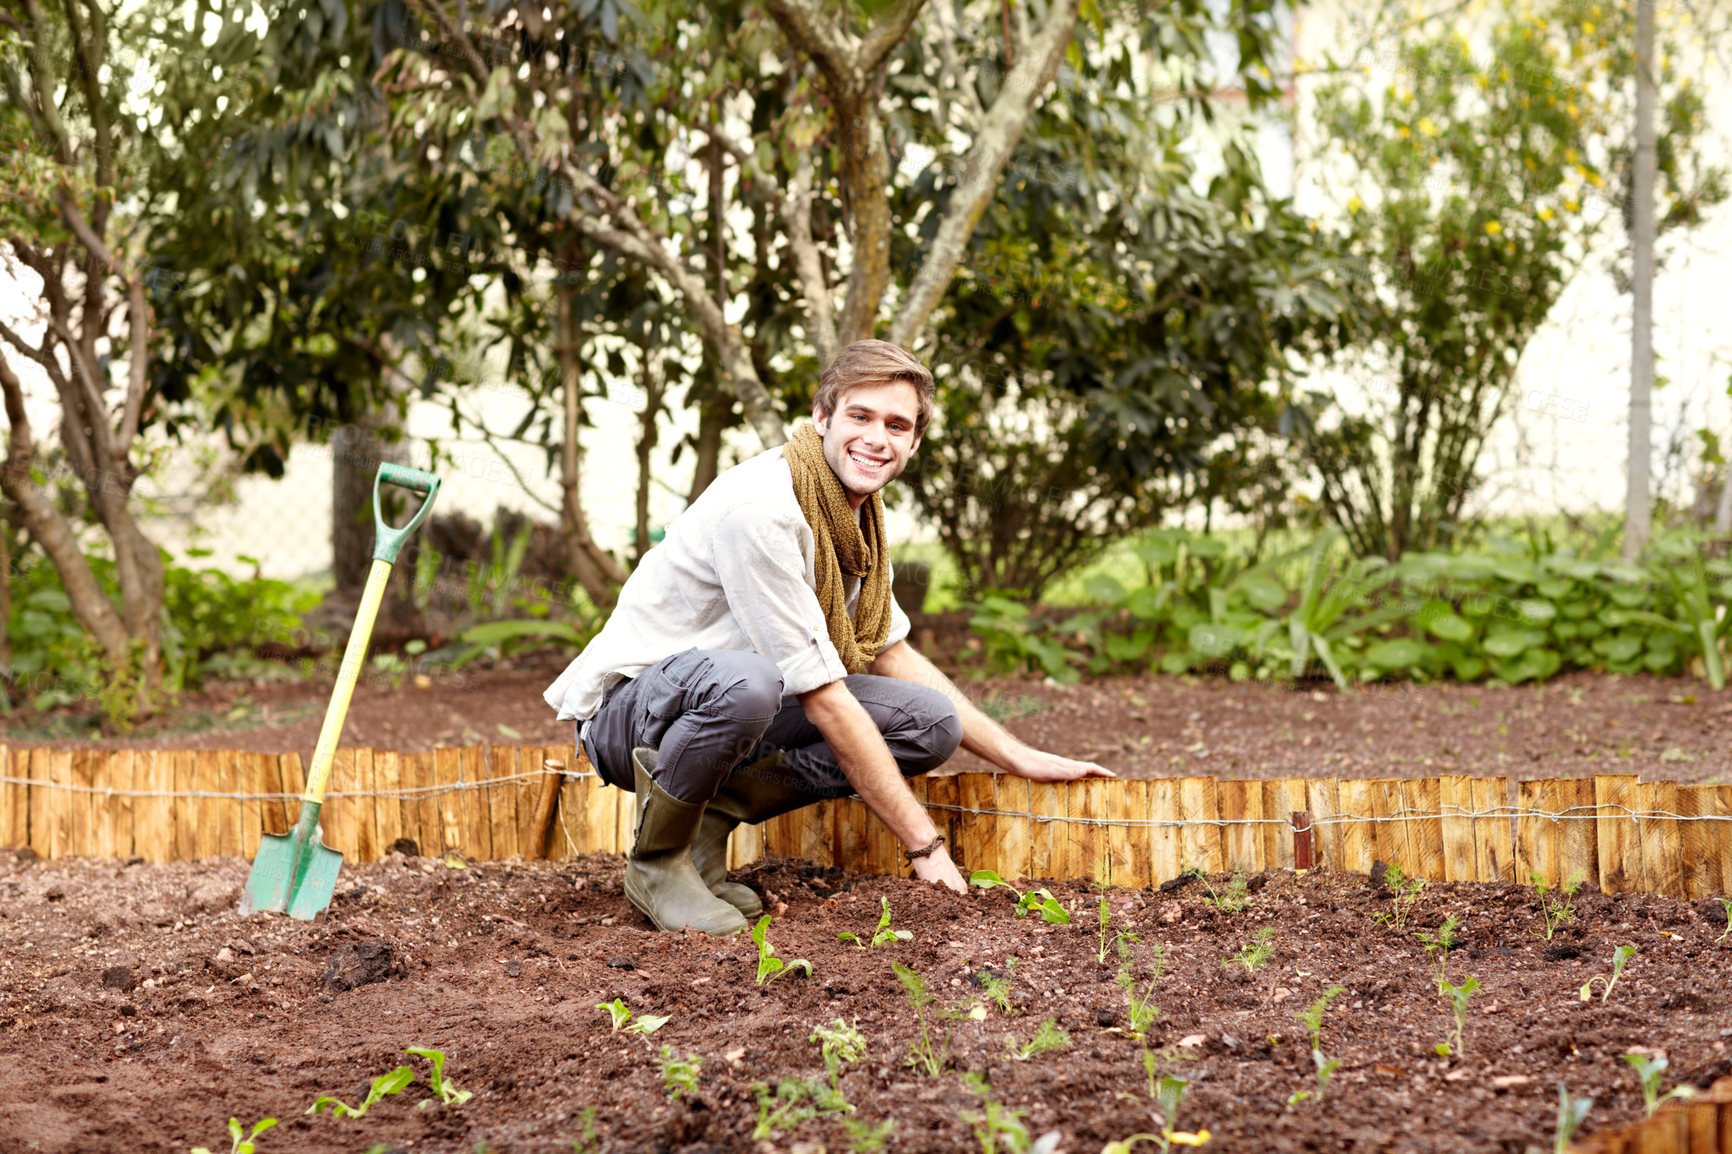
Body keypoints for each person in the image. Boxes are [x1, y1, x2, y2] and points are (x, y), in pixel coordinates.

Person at [543, 340, 1113, 935]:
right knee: (754, 682)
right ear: (822, 418)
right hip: (630, 714)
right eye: (860, 417)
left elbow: (890, 650)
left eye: (897, 425)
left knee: (928, 723)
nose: (877, 438)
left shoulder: (855, 521)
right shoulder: (762, 511)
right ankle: (657, 863)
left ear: (913, 443)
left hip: (728, 703)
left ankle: (703, 826)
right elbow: (823, 697)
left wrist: (1020, 755)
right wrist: (925, 848)